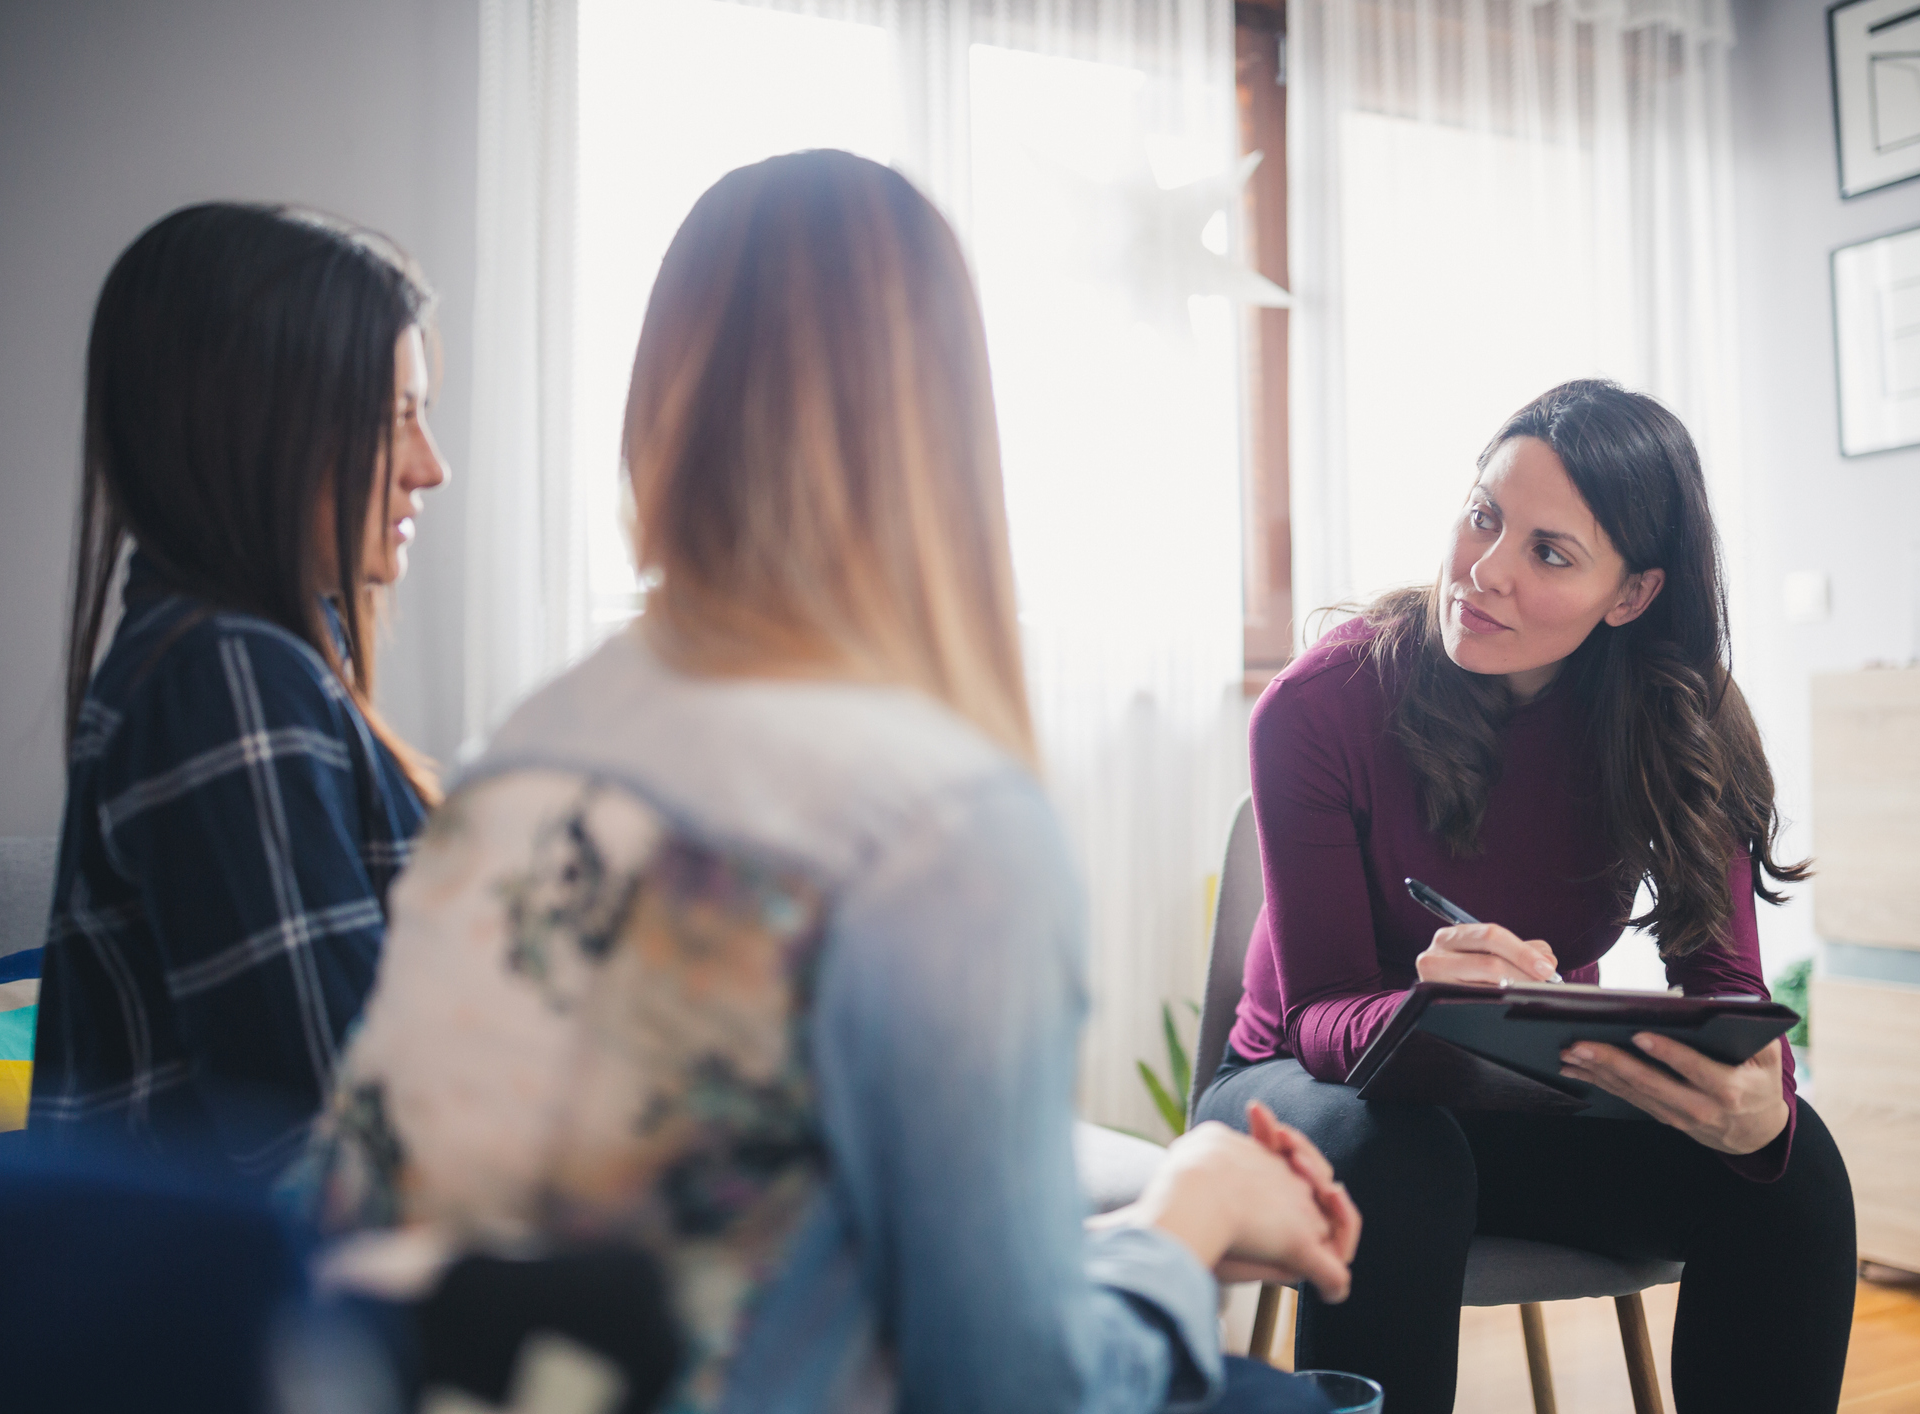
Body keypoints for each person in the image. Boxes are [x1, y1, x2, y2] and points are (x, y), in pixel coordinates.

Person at [295, 150, 1358, 1413]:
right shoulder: (940, 824)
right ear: (948, 426)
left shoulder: (526, 746)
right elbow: (1019, 1390)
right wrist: (1183, 1215)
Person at [1195, 380, 1858, 1414]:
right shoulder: (1321, 705)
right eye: (1483, 515)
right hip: (1293, 1092)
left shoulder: (1680, 719)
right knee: (1398, 1156)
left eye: (1549, 552)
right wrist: (1424, 1005)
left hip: (1508, 1101)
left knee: (1794, 1165)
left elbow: (1725, 985)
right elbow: (1316, 1014)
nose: (1484, 572)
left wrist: (1756, 1104)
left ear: (1631, 595)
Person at [30, 203, 449, 1185]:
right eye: (396, 421)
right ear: (260, 432)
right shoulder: (222, 678)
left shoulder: (247, 658)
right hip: (220, 1322)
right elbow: (329, 1140)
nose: (431, 467)